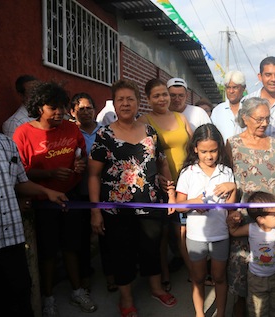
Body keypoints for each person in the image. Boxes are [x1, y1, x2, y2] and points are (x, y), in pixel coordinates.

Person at [0, 78, 68, 317]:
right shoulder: (19, 131)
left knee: (20, 297)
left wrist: (48, 192)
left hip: (11, 242)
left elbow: (21, 182)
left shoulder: (6, 144)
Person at [88, 79, 175, 317]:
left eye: (130, 99)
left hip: (150, 204)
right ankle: (126, 299)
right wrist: (95, 210)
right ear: (114, 104)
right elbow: (94, 175)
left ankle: (156, 288)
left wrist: (171, 195)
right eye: (120, 99)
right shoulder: (104, 135)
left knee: (151, 249)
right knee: (122, 252)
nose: (126, 104)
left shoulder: (149, 131)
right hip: (116, 209)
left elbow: (162, 163)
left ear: (138, 103)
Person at [12, 82, 95, 317]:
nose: (59, 112)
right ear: (39, 107)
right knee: (47, 252)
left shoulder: (71, 128)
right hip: (42, 202)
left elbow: (82, 155)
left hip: (71, 198)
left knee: (72, 247)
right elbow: (20, 172)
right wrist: (48, 174)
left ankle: (77, 291)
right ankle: (47, 297)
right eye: (52, 107)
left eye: (61, 107)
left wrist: (80, 164)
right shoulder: (23, 133)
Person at [226, 97, 275, 317]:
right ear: (245, 118)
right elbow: (228, 178)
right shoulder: (233, 144)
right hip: (244, 221)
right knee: (241, 276)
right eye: (259, 118)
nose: (264, 123)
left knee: (270, 274)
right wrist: (231, 211)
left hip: (270, 221)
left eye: (267, 118)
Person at [168, 123, 236, 317]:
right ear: (195, 148)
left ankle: (220, 313)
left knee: (219, 277)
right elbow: (179, 206)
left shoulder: (226, 172)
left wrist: (232, 188)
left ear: (219, 149)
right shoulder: (188, 173)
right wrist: (193, 202)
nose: (209, 156)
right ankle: (200, 314)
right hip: (195, 236)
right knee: (197, 278)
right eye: (204, 151)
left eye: (213, 150)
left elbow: (230, 208)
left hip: (220, 234)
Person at [138, 78, 192, 292]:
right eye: (157, 95)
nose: (162, 99)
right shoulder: (144, 120)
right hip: (160, 183)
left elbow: (193, 146)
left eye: (164, 95)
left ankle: (193, 272)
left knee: (183, 232)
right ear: (149, 98)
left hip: (185, 182)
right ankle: (164, 274)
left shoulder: (180, 118)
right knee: (160, 234)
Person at [228, 191, 275, 317]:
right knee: (258, 311)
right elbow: (235, 232)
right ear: (261, 219)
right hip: (257, 279)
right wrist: (232, 222)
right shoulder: (251, 229)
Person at [69, 93, 105, 292]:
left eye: (89, 107)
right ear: (73, 112)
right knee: (82, 237)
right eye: (80, 109)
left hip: (105, 191)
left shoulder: (106, 132)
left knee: (107, 236)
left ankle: (111, 274)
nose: (85, 112)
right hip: (80, 192)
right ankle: (85, 276)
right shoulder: (70, 134)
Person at [211, 70, 246, 143]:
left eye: (235, 87)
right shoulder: (217, 111)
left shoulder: (250, 108)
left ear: (243, 88)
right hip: (223, 153)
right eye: (228, 87)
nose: (231, 91)